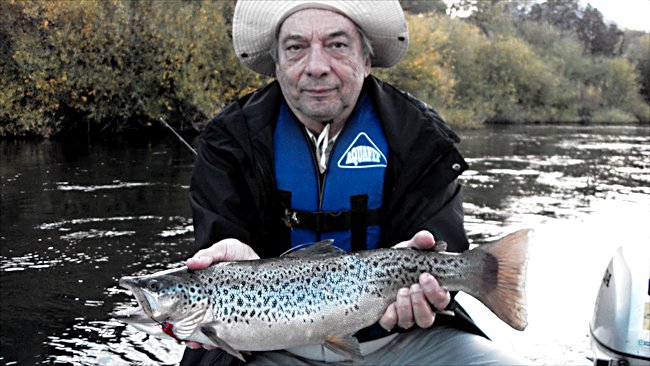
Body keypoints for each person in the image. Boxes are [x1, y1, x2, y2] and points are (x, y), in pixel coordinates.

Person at [182, 1, 529, 365]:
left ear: (366, 60)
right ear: (277, 64)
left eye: (337, 45)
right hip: (262, 346)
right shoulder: (228, 140)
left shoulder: (419, 136)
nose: (316, 67)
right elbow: (216, 239)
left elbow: (442, 235)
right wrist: (226, 254)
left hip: (402, 340)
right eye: (296, 48)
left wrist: (431, 281)